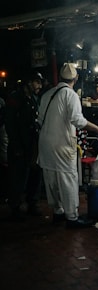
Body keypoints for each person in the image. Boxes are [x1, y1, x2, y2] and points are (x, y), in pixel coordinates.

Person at [37, 63, 98, 229]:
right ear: (75, 79)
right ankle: (72, 218)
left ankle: (58, 212)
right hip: (61, 145)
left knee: (51, 178)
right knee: (68, 178)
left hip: (45, 144)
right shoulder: (70, 95)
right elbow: (78, 121)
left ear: (61, 78)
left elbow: (39, 120)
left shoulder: (47, 94)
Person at [5, 70, 43, 220]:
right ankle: (15, 207)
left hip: (33, 144)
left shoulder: (34, 98)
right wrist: (16, 146)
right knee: (18, 177)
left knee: (35, 175)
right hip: (19, 144)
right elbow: (10, 124)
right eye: (37, 82)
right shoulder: (15, 98)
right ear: (29, 83)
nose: (39, 85)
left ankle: (32, 203)